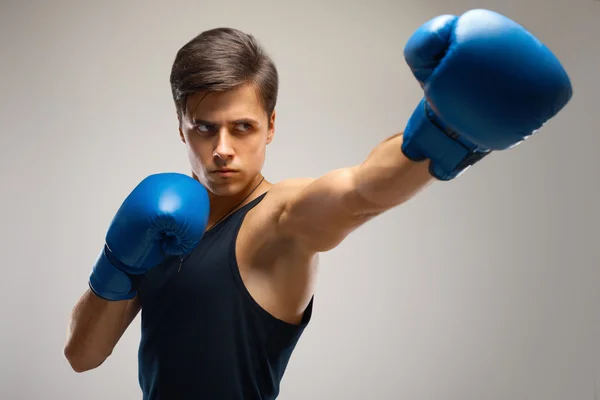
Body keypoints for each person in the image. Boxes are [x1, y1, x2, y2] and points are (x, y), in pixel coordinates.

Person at [63, 9, 572, 400]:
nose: (222, 147)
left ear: (271, 127)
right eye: (204, 127)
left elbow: (361, 192)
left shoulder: (281, 219)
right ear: (181, 129)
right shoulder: (159, 222)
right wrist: (118, 262)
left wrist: (444, 130)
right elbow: (83, 355)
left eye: (242, 127)